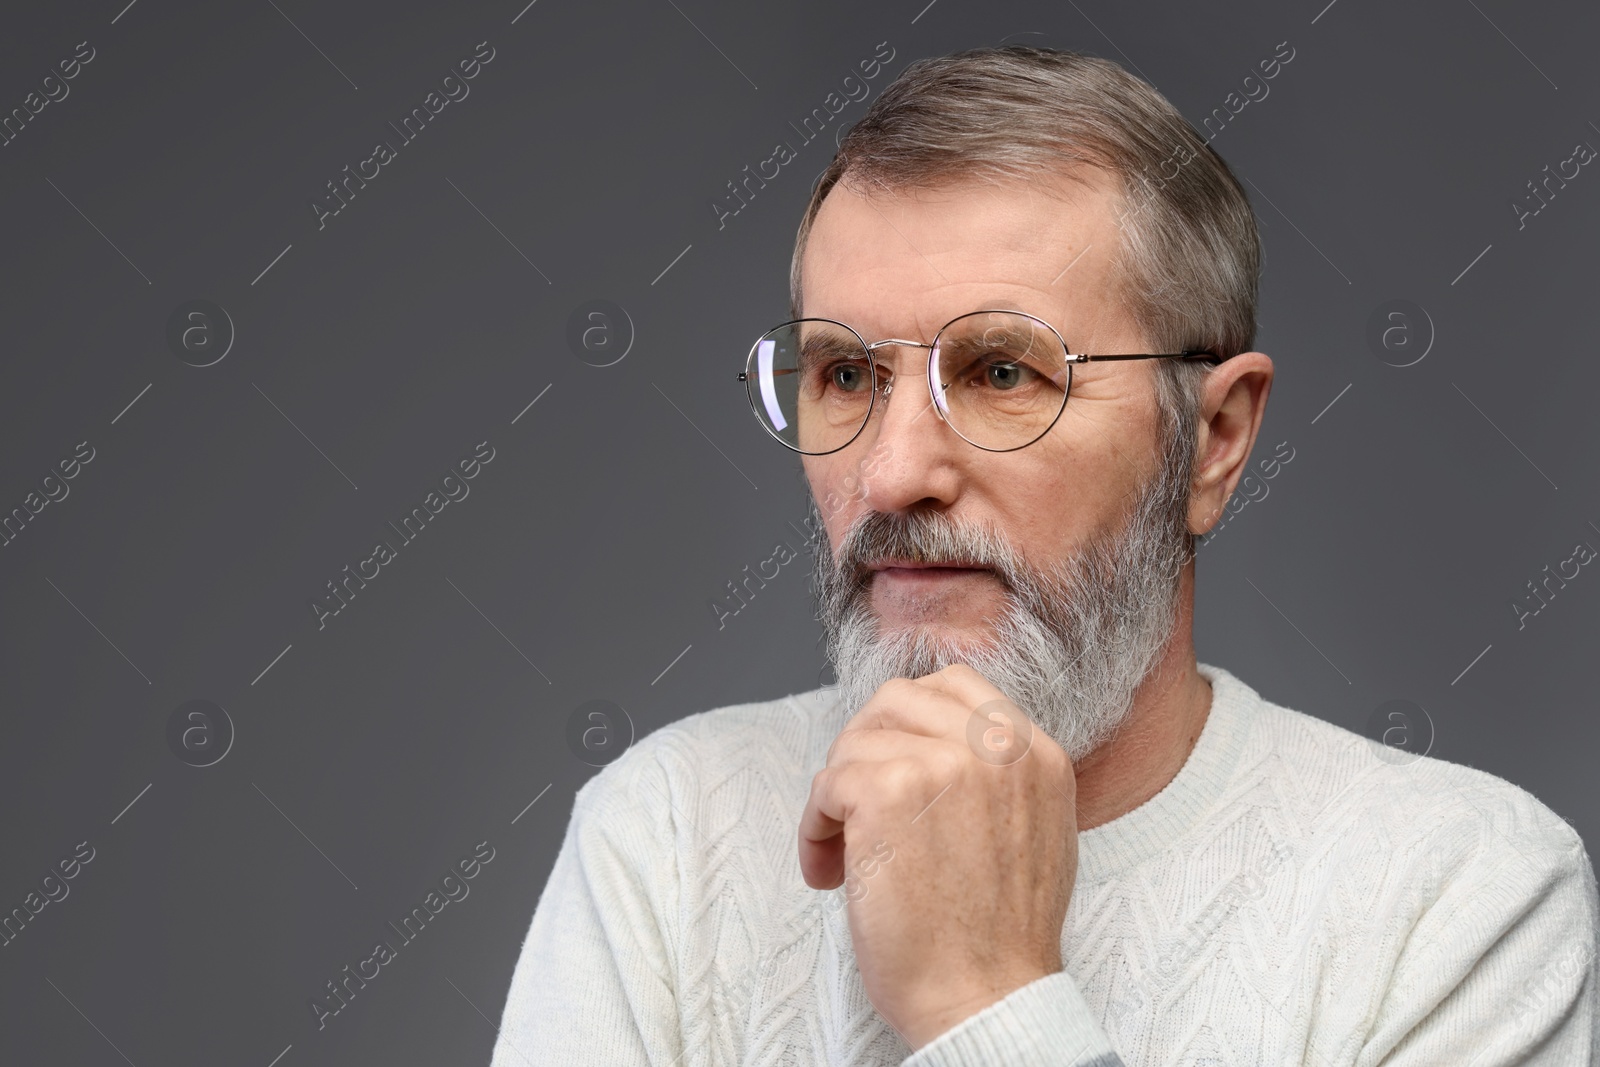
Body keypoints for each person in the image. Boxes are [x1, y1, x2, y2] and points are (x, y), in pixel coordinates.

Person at [490, 45, 1598, 1066]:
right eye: (843, 373)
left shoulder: (1464, 895)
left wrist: (987, 997)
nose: (888, 475)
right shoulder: (670, 831)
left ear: (1212, 439)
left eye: (1002, 371)